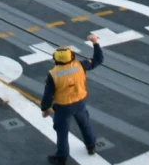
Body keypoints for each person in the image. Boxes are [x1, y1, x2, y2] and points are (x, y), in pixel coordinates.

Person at [40, 34, 103, 164]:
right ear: (72, 56)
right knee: (85, 124)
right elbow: (98, 59)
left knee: (62, 133)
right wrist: (95, 42)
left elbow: (48, 95)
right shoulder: (81, 65)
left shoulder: (53, 74)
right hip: (80, 103)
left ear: (55, 59)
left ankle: (62, 157)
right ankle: (91, 146)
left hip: (63, 107)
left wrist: (45, 108)